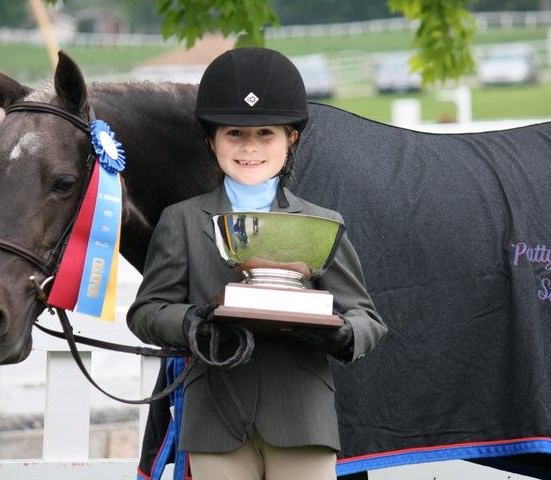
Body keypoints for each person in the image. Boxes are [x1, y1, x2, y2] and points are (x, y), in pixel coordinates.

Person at [127, 47, 386, 480]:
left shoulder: (323, 223)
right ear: (212, 141)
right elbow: (146, 311)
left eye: (266, 133)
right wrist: (195, 322)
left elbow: (368, 318)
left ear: (292, 139)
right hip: (216, 420)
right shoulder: (182, 220)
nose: (250, 147)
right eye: (234, 134)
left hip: (303, 420)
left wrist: (338, 333)